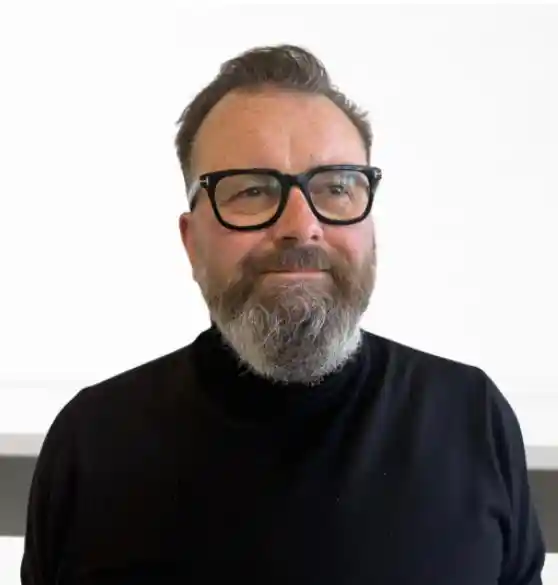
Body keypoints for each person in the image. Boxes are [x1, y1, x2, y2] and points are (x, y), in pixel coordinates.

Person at [21, 44, 546, 585]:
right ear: (191, 241)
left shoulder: (470, 418)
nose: (301, 226)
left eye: (336, 187)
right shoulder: (94, 442)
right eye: (252, 190)